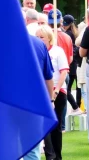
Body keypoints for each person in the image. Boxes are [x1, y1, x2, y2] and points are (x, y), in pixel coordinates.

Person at [21, 11, 54, 160]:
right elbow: (48, 78)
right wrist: (50, 100)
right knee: (31, 150)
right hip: (34, 102)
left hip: (7, 103)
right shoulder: (39, 44)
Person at [36, 25, 69, 160]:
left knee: (56, 126)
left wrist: (55, 91)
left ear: (49, 38)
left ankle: (57, 155)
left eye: (41, 37)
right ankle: (50, 155)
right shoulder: (37, 51)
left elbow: (63, 72)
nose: (39, 39)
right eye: (37, 37)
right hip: (42, 92)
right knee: (44, 125)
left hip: (58, 90)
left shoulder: (57, 51)